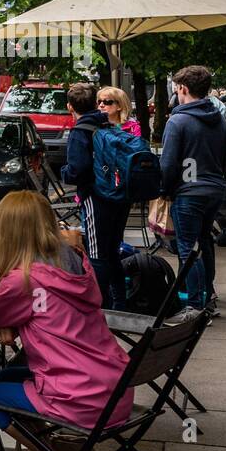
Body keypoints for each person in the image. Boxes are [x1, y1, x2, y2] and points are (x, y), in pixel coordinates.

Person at [0, 191, 128, 451]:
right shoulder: (77, 265)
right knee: (8, 377)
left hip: (79, 399)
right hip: (115, 391)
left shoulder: (23, 280)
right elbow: (48, 309)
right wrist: (14, 319)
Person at [161, 65, 226, 314]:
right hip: (214, 188)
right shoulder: (219, 119)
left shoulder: (178, 121)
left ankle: (194, 305)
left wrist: (164, 189)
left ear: (183, 88)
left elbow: (168, 163)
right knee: (205, 242)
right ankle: (208, 296)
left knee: (187, 249)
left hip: (189, 192)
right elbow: (225, 157)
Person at [61, 82, 131, 310]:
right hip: (119, 197)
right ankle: (119, 303)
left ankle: (98, 307)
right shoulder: (109, 126)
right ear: (95, 103)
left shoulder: (80, 132)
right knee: (112, 251)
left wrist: (64, 172)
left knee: (97, 254)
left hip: (96, 198)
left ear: (70, 107)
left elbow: (77, 171)